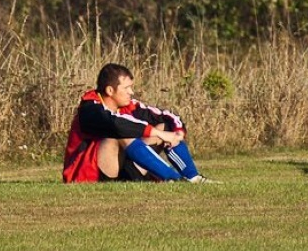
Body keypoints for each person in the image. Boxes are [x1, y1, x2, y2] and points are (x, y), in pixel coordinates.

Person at [63, 63, 216, 184]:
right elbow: (115, 124)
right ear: (110, 90)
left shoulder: (130, 105)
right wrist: (156, 133)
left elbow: (167, 116)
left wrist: (177, 132)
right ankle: (173, 179)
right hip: (88, 175)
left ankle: (194, 178)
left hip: (125, 169)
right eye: (127, 88)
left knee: (165, 127)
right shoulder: (89, 108)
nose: (131, 92)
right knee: (122, 134)